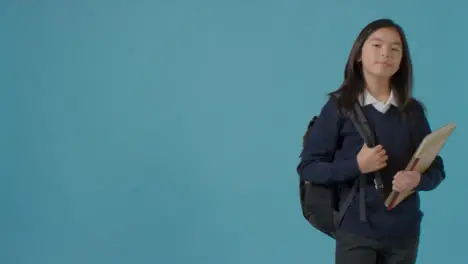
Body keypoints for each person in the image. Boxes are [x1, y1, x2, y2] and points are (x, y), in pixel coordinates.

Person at [296, 18, 446, 264]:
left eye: (395, 48)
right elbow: (308, 168)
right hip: (356, 233)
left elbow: (436, 168)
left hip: (404, 234)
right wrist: (357, 165)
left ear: (402, 61)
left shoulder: (412, 112)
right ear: (358, 54)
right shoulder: (338, 108)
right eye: (377, 45)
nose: (386, 53)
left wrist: (418, 179)